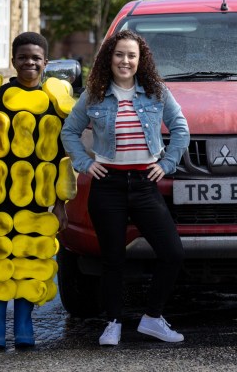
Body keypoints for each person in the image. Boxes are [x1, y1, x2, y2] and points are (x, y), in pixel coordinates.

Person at [61, 30, 190, 346]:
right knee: (112, 258)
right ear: (109, 57)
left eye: (132, 55)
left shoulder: (156, 92)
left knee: (172, 253)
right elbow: (70, 132)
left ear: (140, 59)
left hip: (146, 184)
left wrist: (167, 163)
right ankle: (114, 322)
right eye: (119, 54)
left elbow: (181, 128)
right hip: (108, 185)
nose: (125, 60)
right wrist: (85, 163)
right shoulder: (95, 94)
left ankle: (152, 318)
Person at [0, 32, 70, 350]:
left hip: (39, 196)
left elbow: (62, 155)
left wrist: (61, 203)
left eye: (36, 58)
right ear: (13, 61)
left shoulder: (55, 104)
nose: (30, 62)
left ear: (46, 63)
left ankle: (24, 322)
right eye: (23, 57)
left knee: (31, 260)